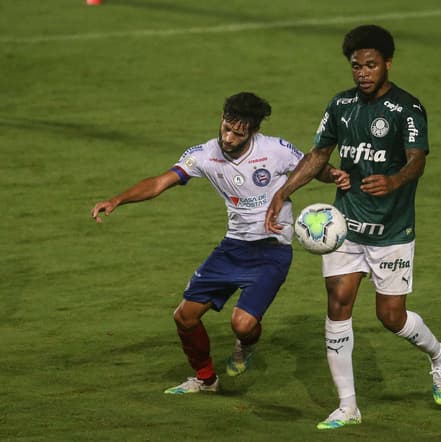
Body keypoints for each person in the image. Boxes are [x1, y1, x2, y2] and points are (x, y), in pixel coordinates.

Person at [265, 25, 441, 429]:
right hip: (346, 228)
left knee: (391, 317)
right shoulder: (341, 105)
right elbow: (319, 154)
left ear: (387, 63)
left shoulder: (407, 109)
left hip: (391, 230)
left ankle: (439, 354)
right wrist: (284, 191)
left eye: (371, 65)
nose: (363, 72)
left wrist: (394, 181)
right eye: (356, 66)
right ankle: (347, 407)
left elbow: (417, 159)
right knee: (338, 306)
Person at [91, 92, 307, 394]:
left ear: (253, 131)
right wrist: (117, 199)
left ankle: (246, 345)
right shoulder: (204, 155)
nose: (229, 137)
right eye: (226, 127)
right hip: (233, 248)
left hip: (272, 250)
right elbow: (159, 182)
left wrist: (333, 175)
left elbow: (311, 166)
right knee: (184, 316)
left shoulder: (275, 150)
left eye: (238, 133)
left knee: (242, 325)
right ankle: (206, 380)